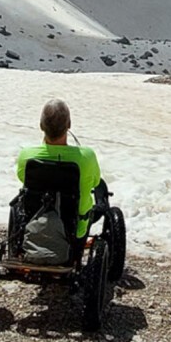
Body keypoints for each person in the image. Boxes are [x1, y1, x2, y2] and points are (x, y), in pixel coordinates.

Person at [16, 99, 107, 239]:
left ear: (41, 126)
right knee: (100, 189)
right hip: (74, 230)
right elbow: (95, 183)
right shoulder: (87, 156)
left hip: (34, 225)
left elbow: (23, 178)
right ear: (69, 125)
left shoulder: (27, 155)